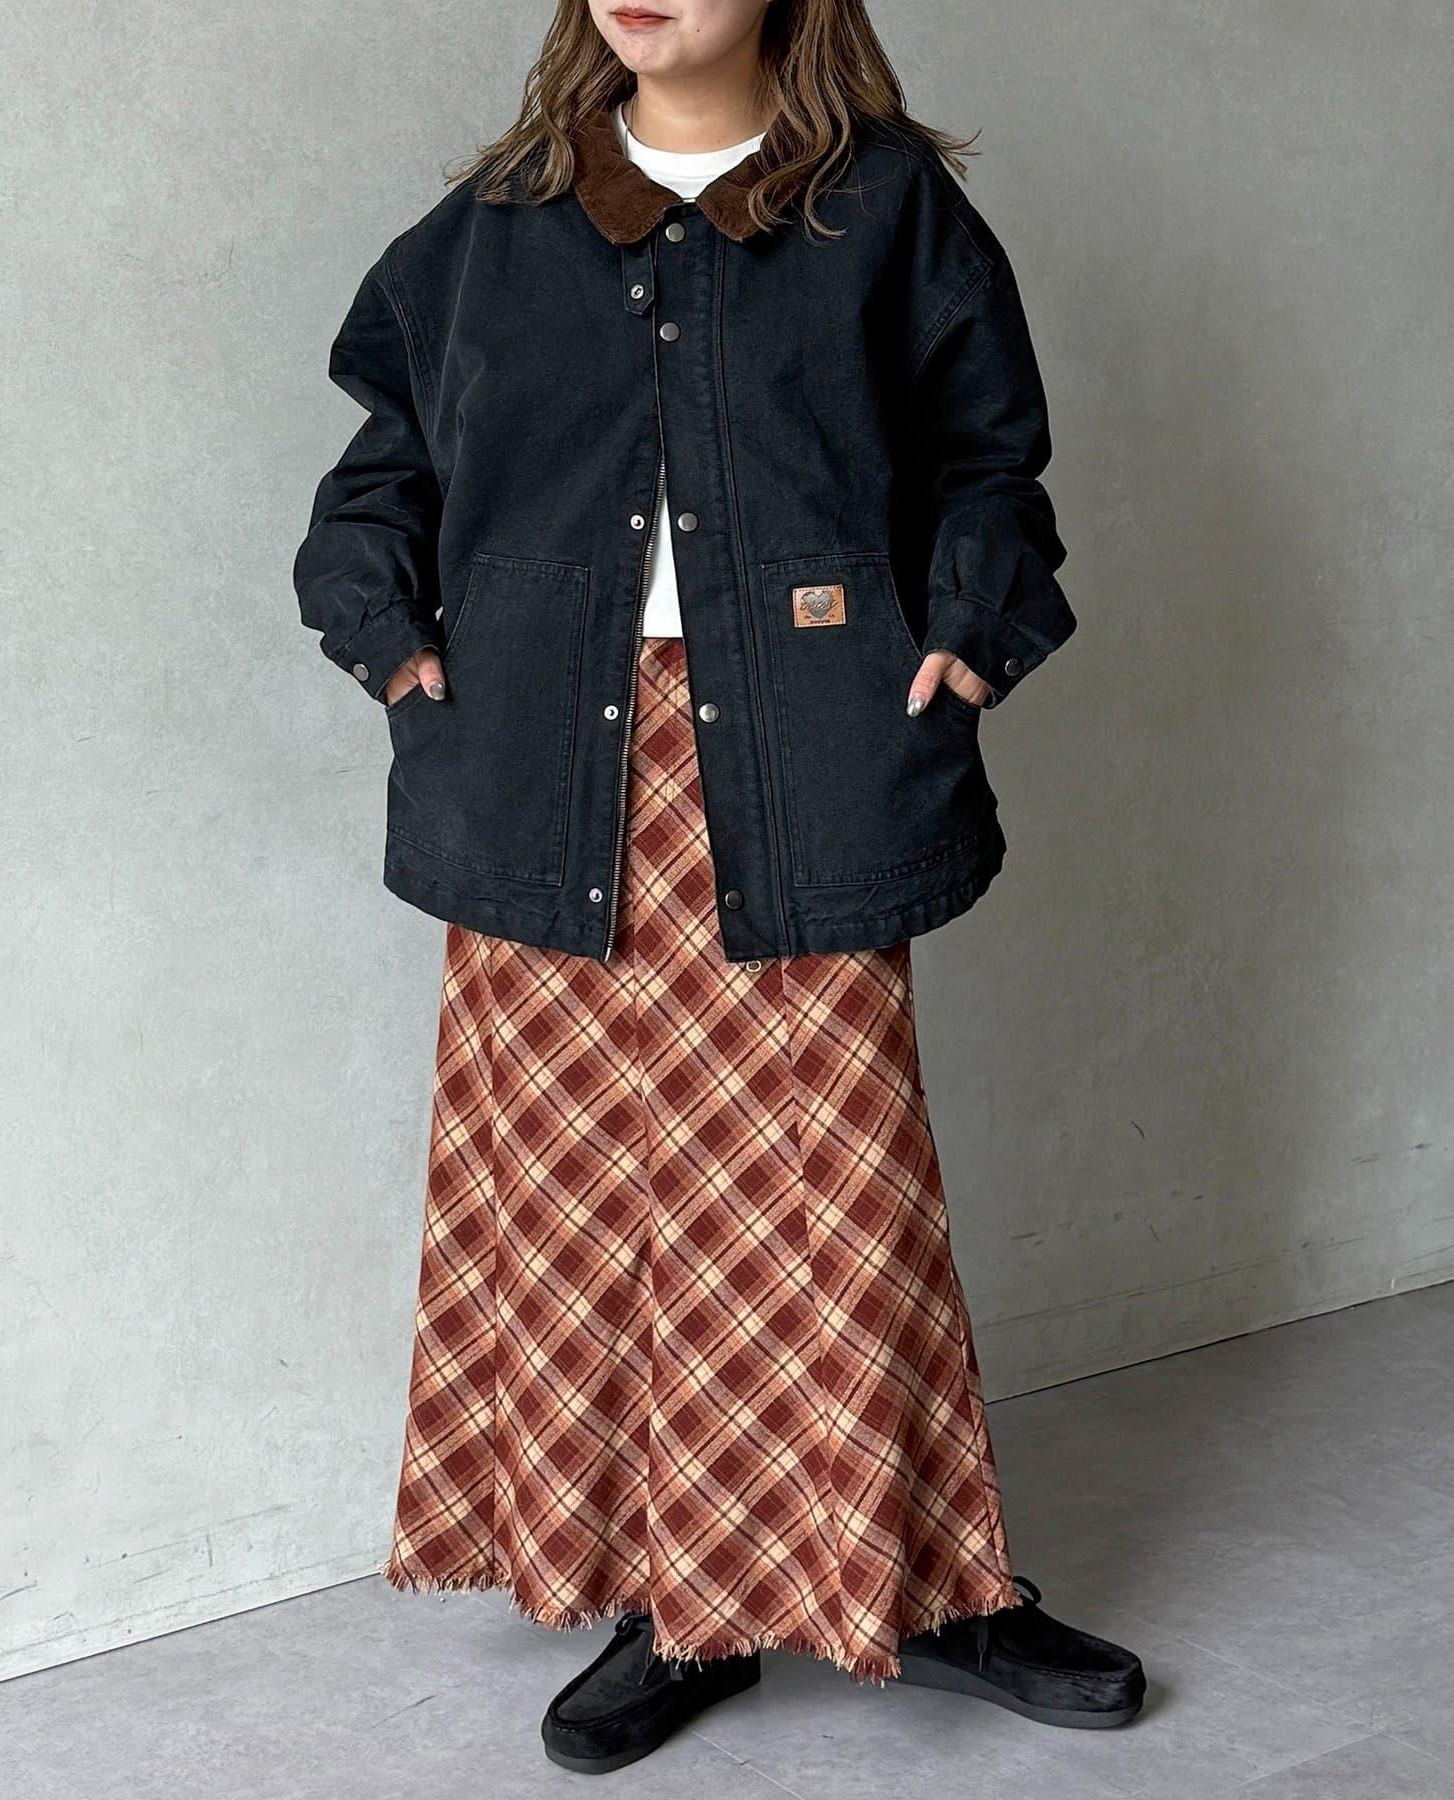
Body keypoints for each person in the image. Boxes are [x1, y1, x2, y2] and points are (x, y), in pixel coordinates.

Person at [293, 0, 1144, 1774]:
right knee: (592, 1193)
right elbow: (386, 464)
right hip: (547, 768)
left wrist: (973, 633)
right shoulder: (495, 228)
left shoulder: (886, 211)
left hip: (801, 749)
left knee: (837, 1187)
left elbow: (990, 459)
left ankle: (936, 1586)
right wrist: (389, 640)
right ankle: (673, 1604)